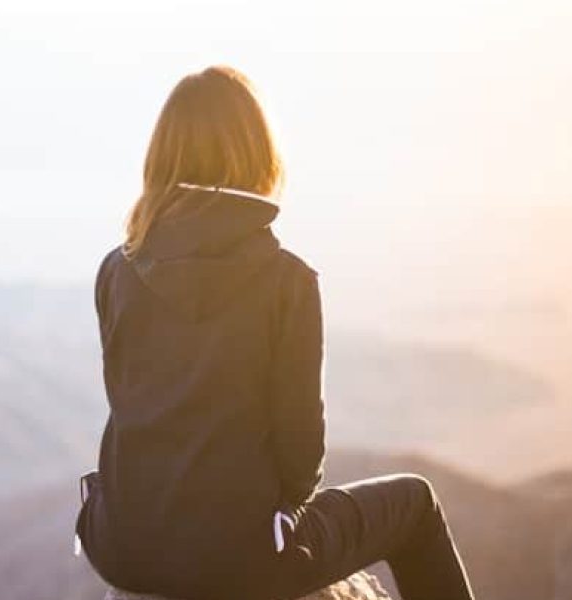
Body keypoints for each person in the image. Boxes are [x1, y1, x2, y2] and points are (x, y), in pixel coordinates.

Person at [75, 65, 476, 600]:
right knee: (416, 503)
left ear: (161, 158)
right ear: (257, 154)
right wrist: (281, 511)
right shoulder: (286, 281)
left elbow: (133, 405)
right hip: (244, 561)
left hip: (126, 551)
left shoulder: (115, 271)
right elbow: (300, 448)